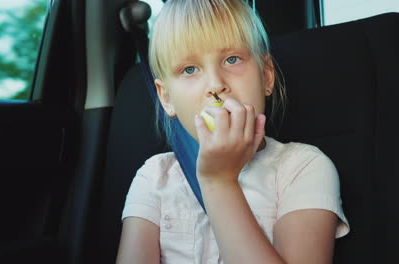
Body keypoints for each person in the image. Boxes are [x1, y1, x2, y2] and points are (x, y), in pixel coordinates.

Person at [116, 0, 350, 263]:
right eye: (190, 69)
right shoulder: (153, 179)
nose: (215, 85)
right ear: (166, 97)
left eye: (232, 59)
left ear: (267, 76)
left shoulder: (303, 168)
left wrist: (219, 181)